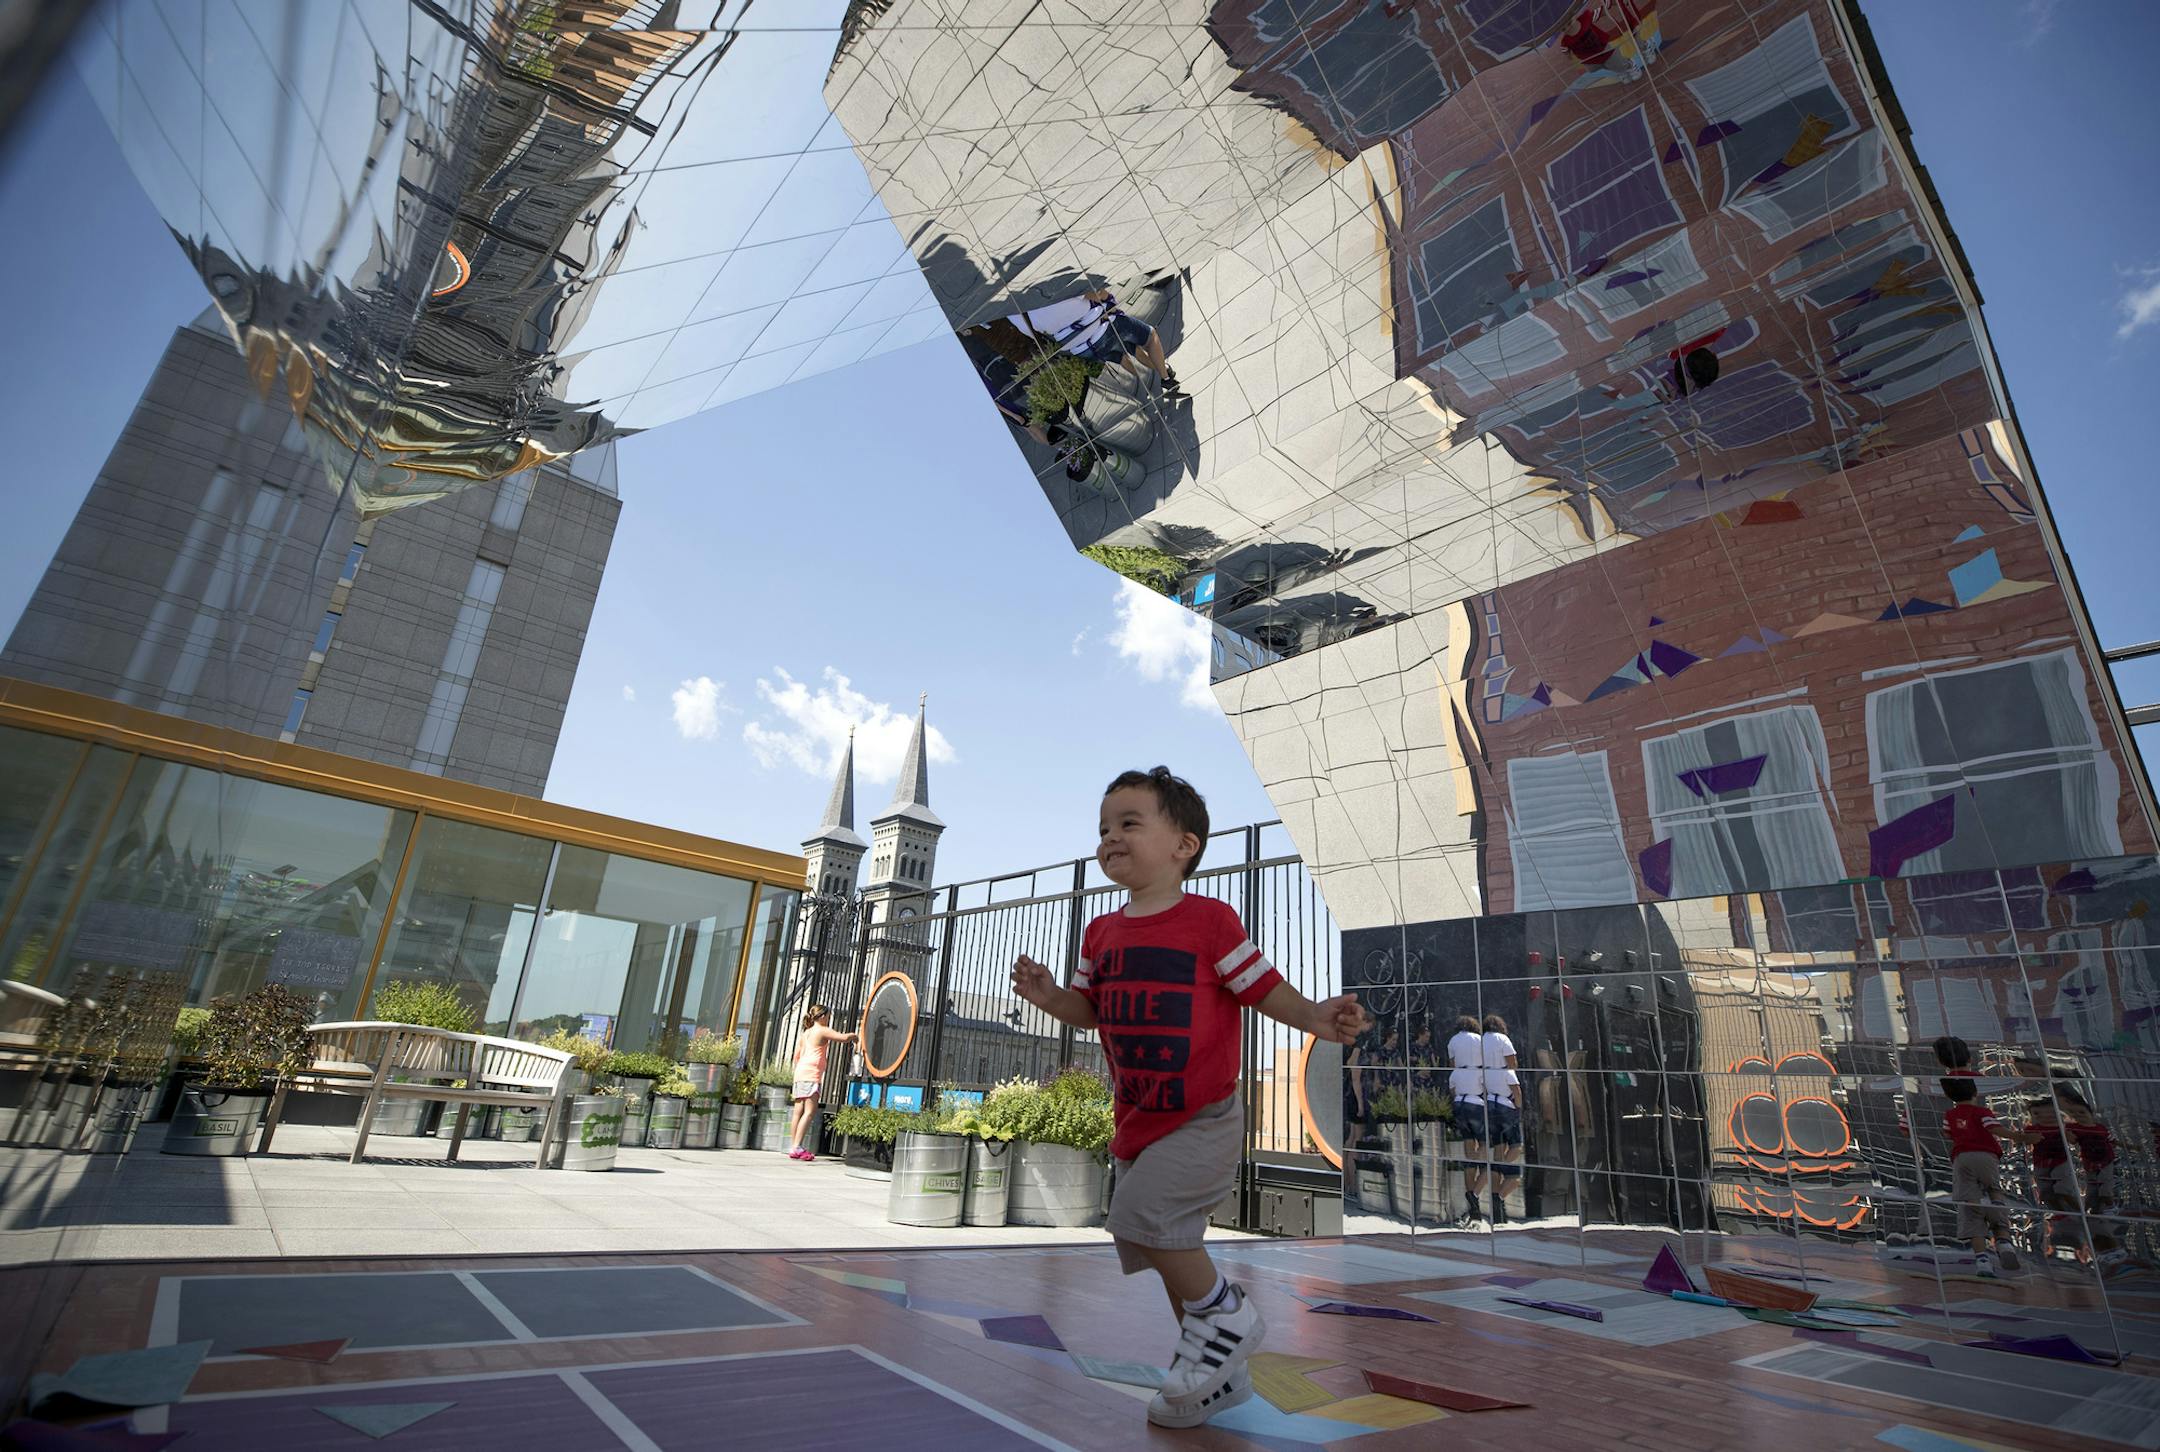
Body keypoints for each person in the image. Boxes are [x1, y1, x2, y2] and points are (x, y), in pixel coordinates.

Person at [1012, 766, 1364, 1430]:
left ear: (1184, 845)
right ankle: (1213, 1376)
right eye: (1104, 828)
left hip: (1201, 1116)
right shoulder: (1101, 934)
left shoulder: (1208, 921)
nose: (1111, 837)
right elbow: (1088, 1010)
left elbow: (1262, 988)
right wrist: (1050, 996)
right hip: (1137, 1120)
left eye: (1130, 823)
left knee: (1137, 1215)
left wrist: (1316, 1017)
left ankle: (1230, 1315)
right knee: (1170, 1248)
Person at [1011, 290, 1184, 397]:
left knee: (1124, 354)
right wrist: (1109, 299)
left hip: (1082, 348)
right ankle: (1165, 378)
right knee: (1150, 337)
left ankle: (1151, 384)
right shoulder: (1046, 285)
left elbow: (1036, 334)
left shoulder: (1014, 314)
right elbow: (1097, 293)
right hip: (1102, 326)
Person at [1941, 1075, 2033, 1277]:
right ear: (1975, 1093)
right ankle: (2003, 1240)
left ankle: (1982, 1259)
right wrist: (2017, 1136)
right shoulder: (1982, 1111)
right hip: (1985, 1155)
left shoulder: (1950, 1114)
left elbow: (1947, 1134)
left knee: (1970, 1204)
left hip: (1961, 1157)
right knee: (1994, 1189)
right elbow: (1995, 1129)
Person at [787, 1006, 857, 1162]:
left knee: (798, 1111)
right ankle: (797, 1146)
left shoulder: (806, 1033)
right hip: (812, 1074)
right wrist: (855, 1036)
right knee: (810, 1111)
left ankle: (793, 1146)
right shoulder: (821, 1030)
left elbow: (796, 1056)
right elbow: (843, 1038)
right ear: (823, 1016)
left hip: (800, 1073)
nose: (829, 1018)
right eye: (828, 1015)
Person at [1446, 1014, 1490, 1227]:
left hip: (1460, 1103)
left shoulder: (1453, 1044)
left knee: (1468, 1153)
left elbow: (1452, 1066)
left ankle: (1472, 1207)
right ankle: (1474, 1194)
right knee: (1486, 1150)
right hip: (1476, 1104)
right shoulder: (1479, 1043)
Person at [1481, 1012, 1523, 1224]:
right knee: (1516, 1146)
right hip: (1506, 1106)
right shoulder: (1502, 1042)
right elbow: (1512, 1063)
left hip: (1489, 1104)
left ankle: (1497, 1207)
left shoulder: (1480, 1043)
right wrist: (1518, 1107)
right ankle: (1499, 1195)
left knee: (1497, 1148)